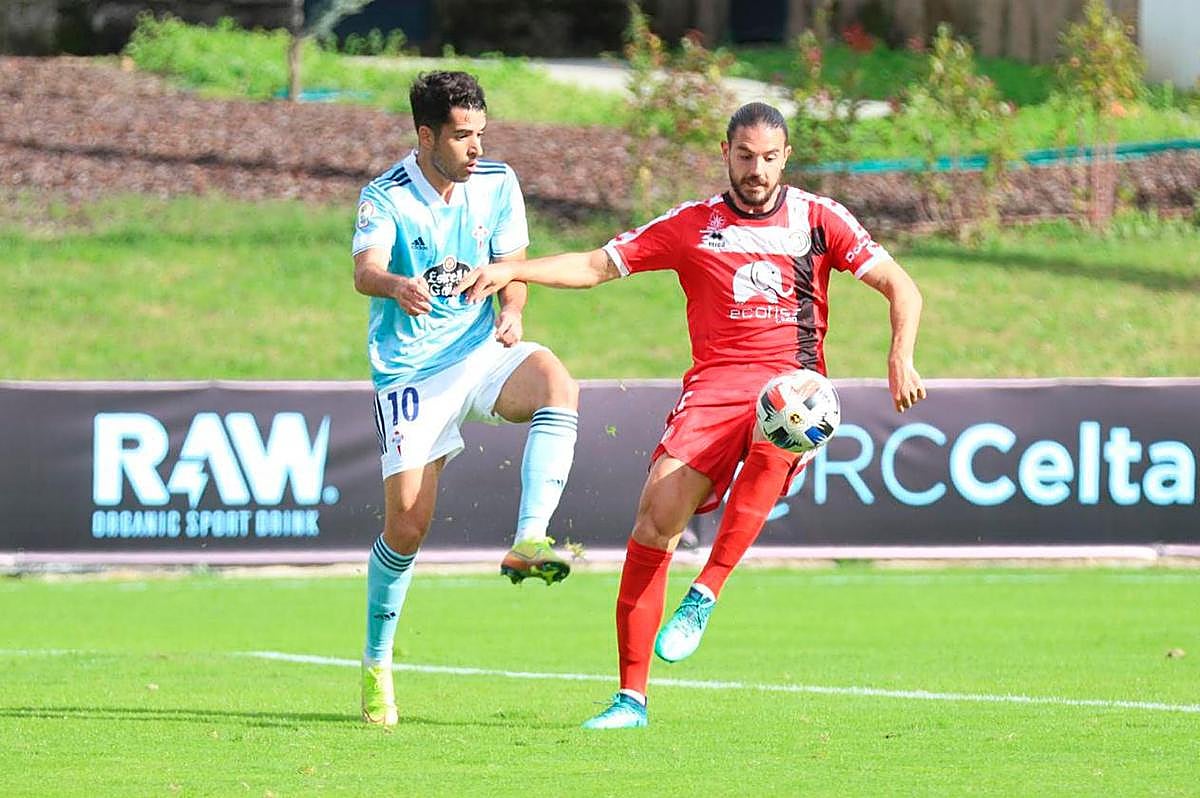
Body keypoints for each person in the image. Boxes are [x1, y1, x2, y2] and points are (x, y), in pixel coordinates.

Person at [455, 102, 927, 729]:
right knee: (655, 518)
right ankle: (630, 700)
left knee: (784, 417)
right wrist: (513, 268)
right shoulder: (692, 224)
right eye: (744, 155)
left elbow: (901, 285)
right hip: (714, 386)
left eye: (768, 157)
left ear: (785, 157)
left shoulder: (819, 217)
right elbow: (598, 266)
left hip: (792, 382)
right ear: (726, 153)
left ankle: (705, 592)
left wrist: (900, 355)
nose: (756, 169)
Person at [352, 71, 580, 726]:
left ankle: (530, 540)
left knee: (557, 383)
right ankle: (376, 663)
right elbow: (363, 270)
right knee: (407, 528)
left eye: (482, 133)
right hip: (410, 374)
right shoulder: (387, 196)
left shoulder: (498, 183)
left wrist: (512, 312)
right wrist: (396, 285)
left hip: (479, 353)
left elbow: (513, 269)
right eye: (461, 136)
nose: (476, 148)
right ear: (426, 136)